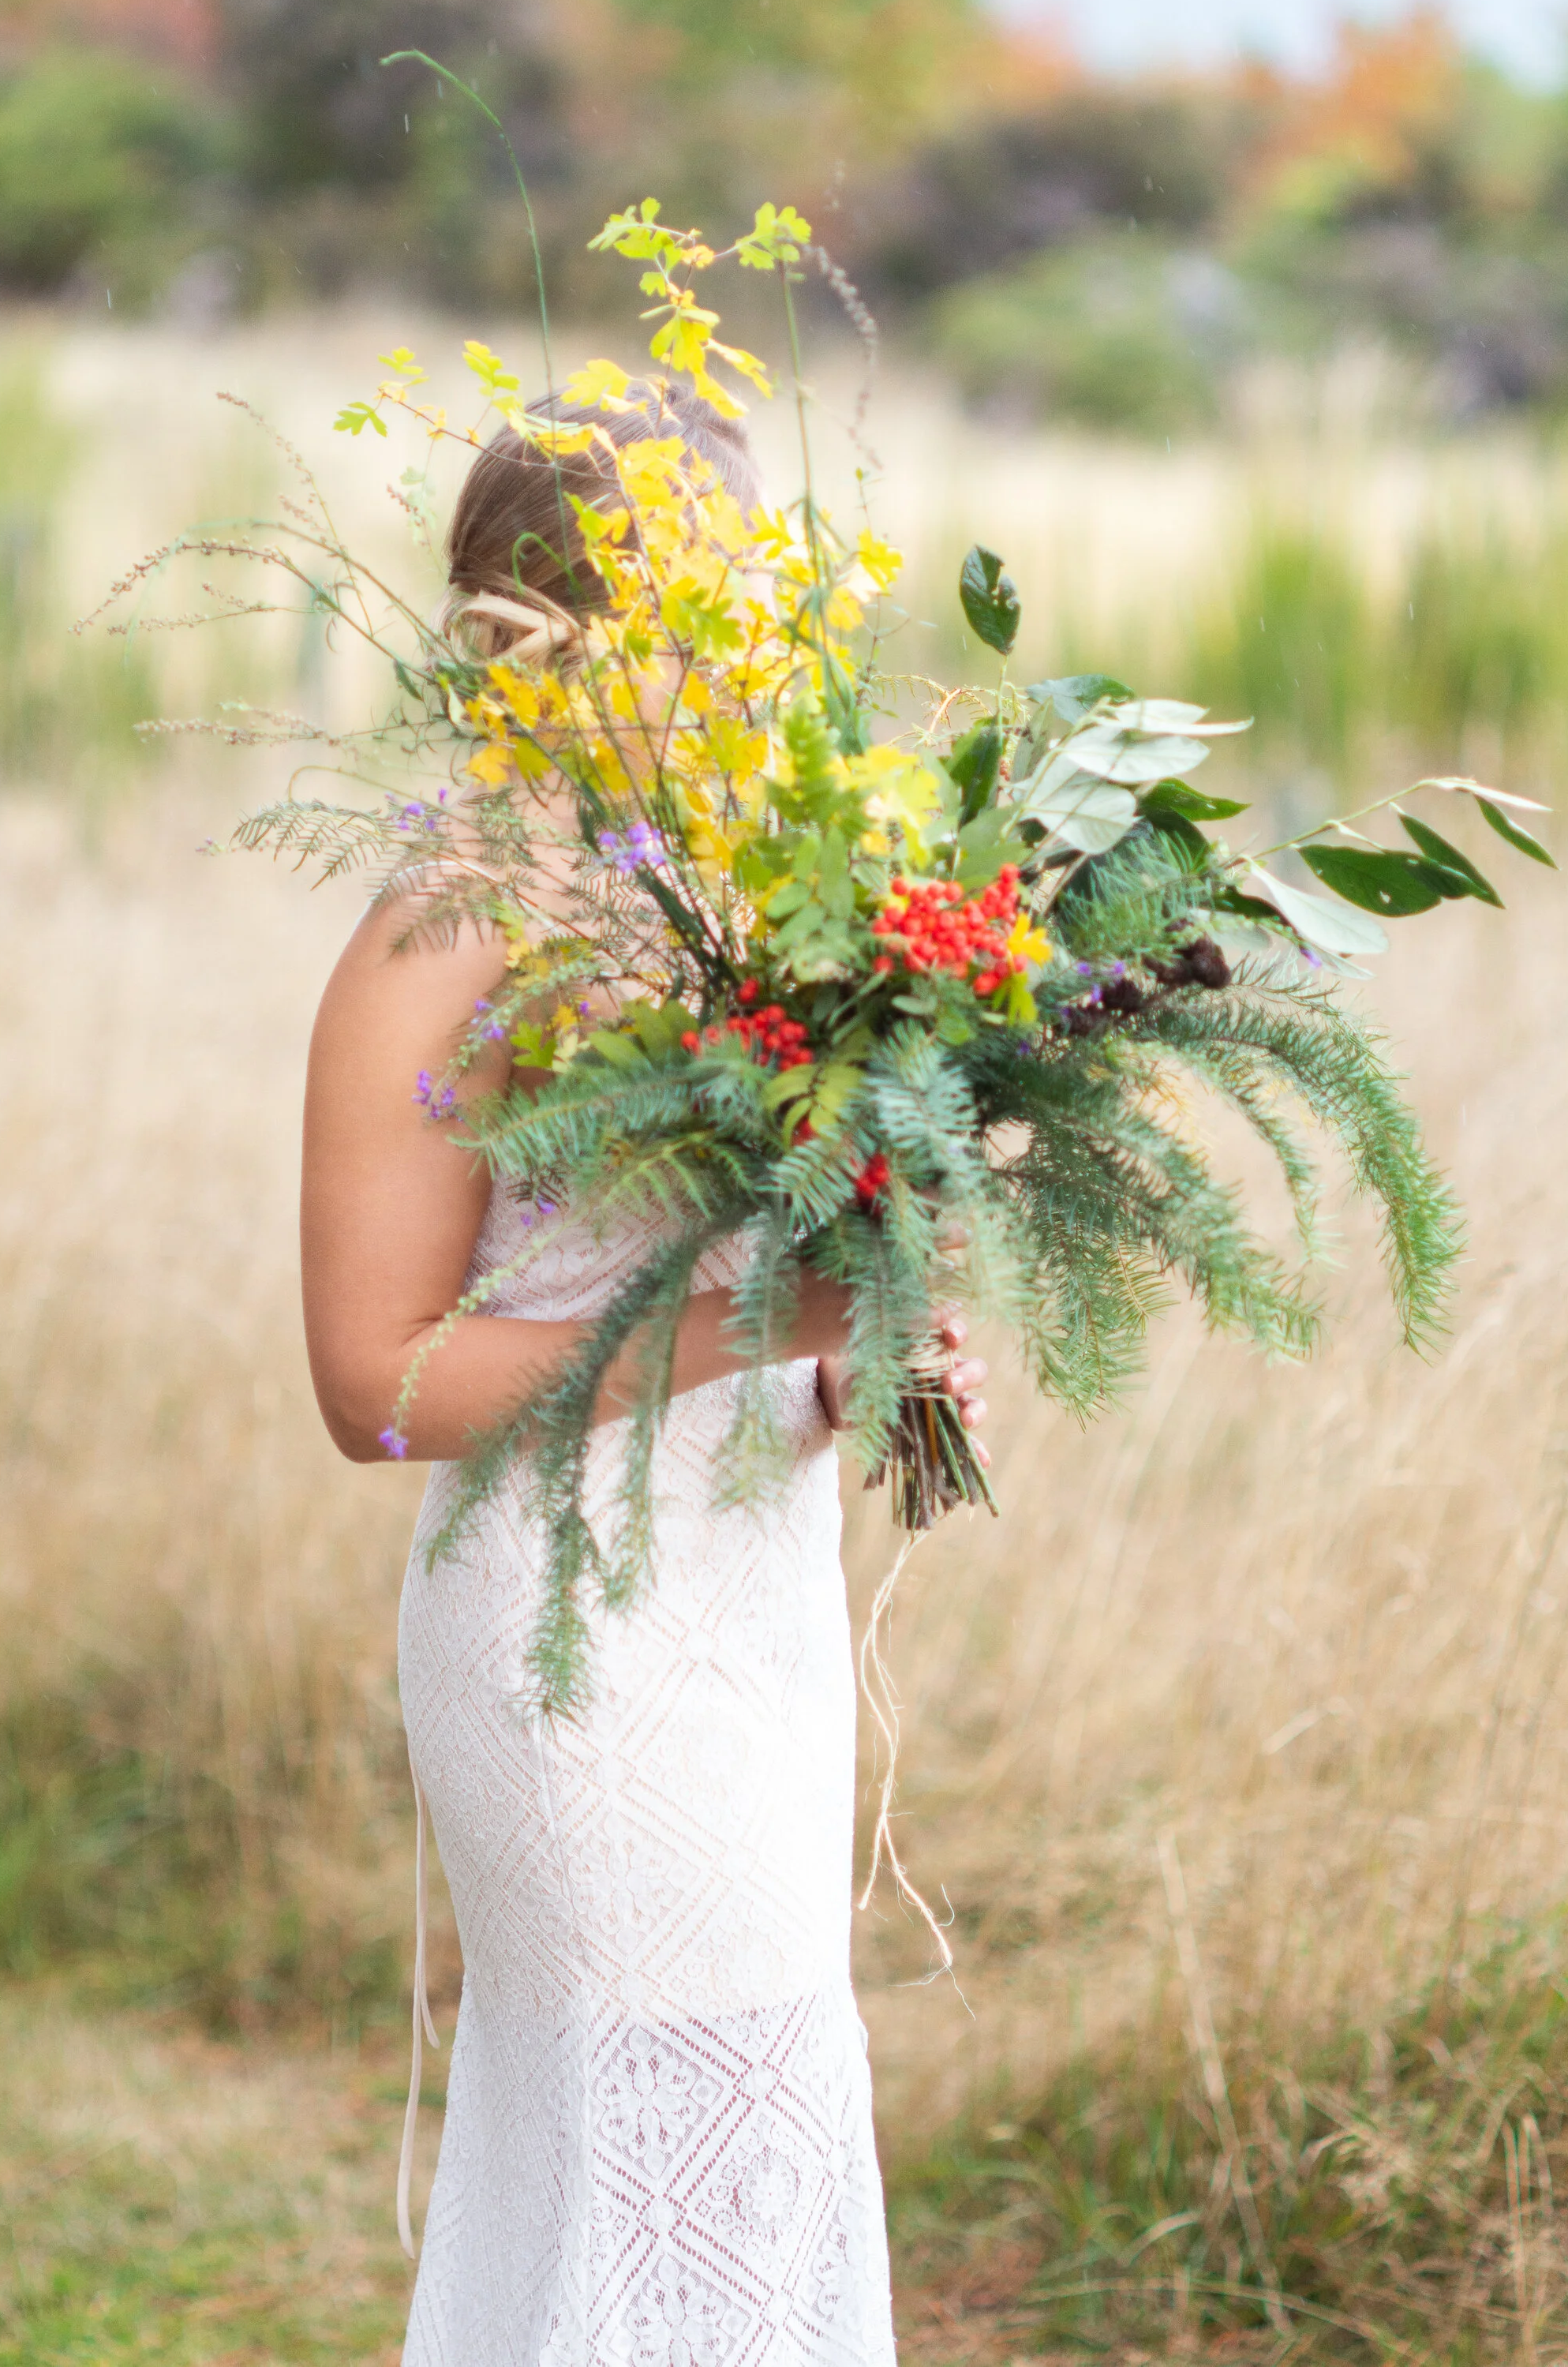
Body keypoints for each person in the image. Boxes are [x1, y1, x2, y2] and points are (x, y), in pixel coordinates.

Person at [299, 389, 987, 2365]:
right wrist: (758, 1323)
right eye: (719, 603)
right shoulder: (447, 927)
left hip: (746, 1592)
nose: (763, 646)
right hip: (571, 1633)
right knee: (658, 2136)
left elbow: (771, 1256)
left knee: (761, 2121)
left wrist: (873, 1323)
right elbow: (371, 1376)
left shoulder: (722, 907)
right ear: (579, 625)